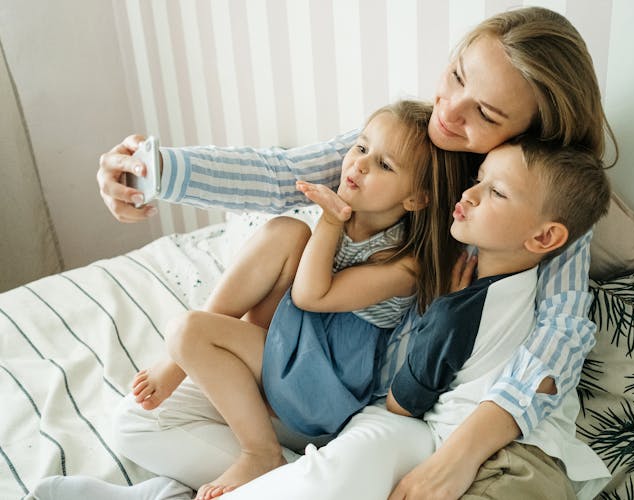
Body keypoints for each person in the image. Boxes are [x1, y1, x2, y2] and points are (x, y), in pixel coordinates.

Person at [40, 6, 618, 500]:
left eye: (486, 113)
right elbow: (283, 173)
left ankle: (293, 478)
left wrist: (461, 454)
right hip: (309, 368)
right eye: (456, 75)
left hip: (380, 399)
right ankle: (280, 475)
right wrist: (153, 171)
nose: (451, 110)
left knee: (352, 459)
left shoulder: (538, 201)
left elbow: (560, 338)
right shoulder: (411, 135)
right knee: (135, 423)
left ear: (531, 133)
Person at [129, 100, 471, 499]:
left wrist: (329, 220)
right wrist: (329, 222)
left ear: (416, 199)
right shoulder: (343, 219)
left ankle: (261, 451)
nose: (359, 166)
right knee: (287, 231)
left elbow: (311, 296)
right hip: (291, 346)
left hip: (321, 383)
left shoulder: (401, 264)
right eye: (361, 149)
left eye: (384, 166)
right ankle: (186, 355)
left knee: (186, 330)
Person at [383, 138, 612, 499]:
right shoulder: (535, 295)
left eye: (497, 192)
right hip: (547, 463)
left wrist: (438, 318)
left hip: (503, 464)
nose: (470, 194)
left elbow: (400, 403)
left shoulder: (455, 311)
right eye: (478, 178)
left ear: (545, 236)